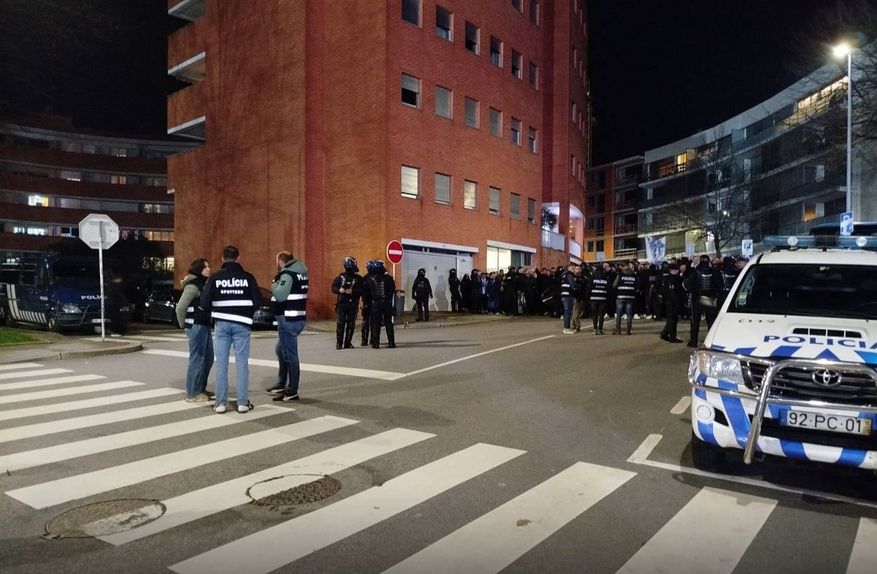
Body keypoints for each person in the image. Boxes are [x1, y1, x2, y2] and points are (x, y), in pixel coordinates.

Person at [200, 246, 261, 413]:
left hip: (222, 325)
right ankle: (242, 403)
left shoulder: (215, 278)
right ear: (238, 258)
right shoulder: (248, 277)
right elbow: (257, 302)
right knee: (242, 363)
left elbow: (204, 303)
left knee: (221, 364)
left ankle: (220, 404)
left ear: (222, 258)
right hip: (242, 324)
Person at [269, 250, 309, 401]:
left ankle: (292, 390)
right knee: (280, 350)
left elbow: (280, 295)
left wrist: (274, 283)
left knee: (290, 355)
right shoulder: (301, 272)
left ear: (281, 261)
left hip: (289, 319)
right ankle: (282, 384)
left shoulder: (287, 275)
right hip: (295, 317)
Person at [175, 257, 213, 402]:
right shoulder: (193, 286)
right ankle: (192, 393)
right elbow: (180, 307)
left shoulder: (204, 284)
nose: (209, 268)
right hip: (196, 325)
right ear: (199, 270)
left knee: (208, 358)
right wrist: (183, 325)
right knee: (197, 359)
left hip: (204, 325)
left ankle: (200, 388)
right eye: (205, 267)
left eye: (209, 266)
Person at [685, 254, 723, 347]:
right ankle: (711, 341)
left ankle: (694, 342)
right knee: (711, 322)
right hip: (710, 298)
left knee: (695, 322)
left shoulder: (695, 271)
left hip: (697, 299)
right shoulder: (714, 271)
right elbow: (720, 285)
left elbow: (688, 285)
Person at [331, 257, 362, 349]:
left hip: (352, 304)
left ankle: (347, 342)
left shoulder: (358, 278)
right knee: (341, 323)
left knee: (351, 324)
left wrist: (352, 291)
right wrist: (339, 290)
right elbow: (333, 288)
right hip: (342, 303)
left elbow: (362, 290)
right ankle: (339, 343)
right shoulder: (340, 277)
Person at [365, 259, 396, 348]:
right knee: (388, 323)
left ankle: (375, 343)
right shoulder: (389, 278)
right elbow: (392, 290)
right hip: (386, 303)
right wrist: (388, 299)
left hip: (375, 303)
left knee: (375, 323)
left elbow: (367, 293)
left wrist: (368, 303)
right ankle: (391, 343)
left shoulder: (369, 279)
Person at [659, 263, 684, 343]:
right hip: (673, 301)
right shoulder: (675, 279)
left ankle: (665, 333)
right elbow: (675, 291)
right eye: (675, 270)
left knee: (672, 319)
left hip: (669, 301)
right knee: (673, 319)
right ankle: (672, 337)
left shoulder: (666, 279)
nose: (677, 271)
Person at [613, 261, 638, 335]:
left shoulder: (620, 275)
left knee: (619, 314)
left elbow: (614, 285)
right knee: (629, 314)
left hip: (620, 297)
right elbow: (637, 286)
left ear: (623, 270)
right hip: (630, 297)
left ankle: (618, 330)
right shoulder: (634, 276)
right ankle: (628, 330)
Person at [589, 265, 609, 335]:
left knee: (594, 315)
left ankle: (594, 329)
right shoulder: (605, 278)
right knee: (601, 315)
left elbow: (589, 288)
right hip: (603, 299)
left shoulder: (592, 278)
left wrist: (587, 298)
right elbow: (608, 289)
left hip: (593, 299)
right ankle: (600, 329)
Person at [559, 263, 578, 334]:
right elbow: (573, 285)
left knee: (567, 312)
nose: (574, 270)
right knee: (568, 312)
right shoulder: (569, 275)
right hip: (568, 296)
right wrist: (576, 287)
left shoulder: (564, 275)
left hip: (564, 295)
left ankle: (567, 327)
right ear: (569, 268)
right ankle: (566, 328)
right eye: (573, 268)